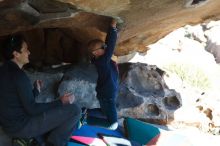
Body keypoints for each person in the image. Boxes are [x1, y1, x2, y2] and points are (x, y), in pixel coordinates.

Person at [0, 35, 81, 146]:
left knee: (51, 109)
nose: (29, 52)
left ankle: (35, 139)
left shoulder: (3, 70)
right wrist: (61, 101)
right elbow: (32, 109)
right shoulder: (19, 76)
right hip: (21, 127)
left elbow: (16, 100)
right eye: (26, 49)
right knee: (75, 110)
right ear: (16, 54)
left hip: (9, 124)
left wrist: (36, 91)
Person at [88, 19, 119, 130]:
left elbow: (107, 45)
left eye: (104, 47)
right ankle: (84, 119)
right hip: (107, 97)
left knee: (103, 111)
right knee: (113, 125)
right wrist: (112, 28)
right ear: (95, 53)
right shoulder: (102, 61)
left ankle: (84, 112)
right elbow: (110, 46)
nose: (105, 48)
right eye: (102, 48)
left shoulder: (101, 60)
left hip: (107, 95)